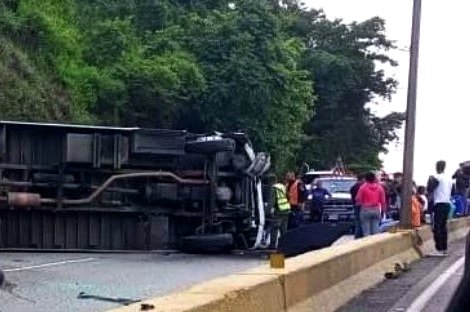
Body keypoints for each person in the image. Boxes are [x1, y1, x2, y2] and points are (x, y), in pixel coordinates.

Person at [427, 160, 453, 256]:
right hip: (447, 204)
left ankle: (439, 249)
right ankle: (444, 248)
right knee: (443, 226)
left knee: (436, 227)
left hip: (439, 204)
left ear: (437, 167)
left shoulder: (437, 177)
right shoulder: (449, 179)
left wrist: (430, 179)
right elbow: (452, 192)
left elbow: (430, 189)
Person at [355, 172, 386, 237]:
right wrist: (383, 211)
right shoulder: (380, 188)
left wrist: (359, 204)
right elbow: (383, 201)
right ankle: (375, 245)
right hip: (376, 209)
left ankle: (368, 243)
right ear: (374, 179)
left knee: (366, 231)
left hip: (365, 209)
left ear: (366, 179)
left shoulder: (362, 188)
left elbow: (358, 199)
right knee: (375, 229)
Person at [350, 174, 365, 239]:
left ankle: (357, 235)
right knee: (363, 221)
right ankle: (361, 235)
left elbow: (352, 197)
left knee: (357, 221)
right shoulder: (362, 187)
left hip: (355, 205)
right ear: (362, 179)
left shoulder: (353, 187)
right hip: (362, 205)